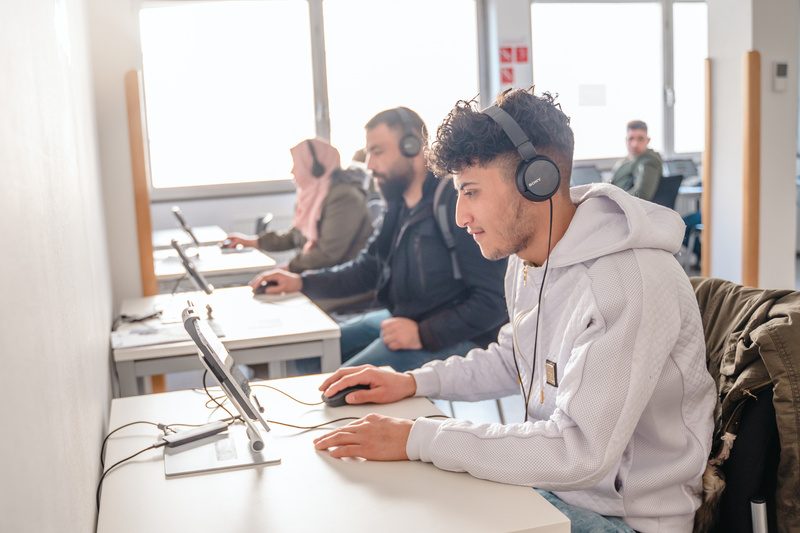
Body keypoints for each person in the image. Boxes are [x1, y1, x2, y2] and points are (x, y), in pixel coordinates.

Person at [312, 90, 716, 533]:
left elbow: (577, 452)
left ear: (536, 180)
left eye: (471, 192)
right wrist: (412, 382)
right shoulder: (527, 260)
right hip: (554, 487)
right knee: (405, 500)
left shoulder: (627, 281)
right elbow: (513, 360)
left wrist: (416, 437)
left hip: (626, 520)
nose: (462, 215)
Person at [251, 107, 508, 373]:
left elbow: (494, 300)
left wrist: (423, 333)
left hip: (458, 335)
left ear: (413, 149)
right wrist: (302, 282)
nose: (369, 164)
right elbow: (369, 267)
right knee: (307, 354)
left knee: (342, 384)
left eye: (378, 151)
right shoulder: (399, 205)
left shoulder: (453, 204)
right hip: (405, 317)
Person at [224, 138, 373, 275]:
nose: (292, 171)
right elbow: (295, 237)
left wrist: (288, 269)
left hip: (339, 280)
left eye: (297, 164)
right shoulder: (314, 196)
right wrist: (251, 241)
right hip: (319, 275)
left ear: (316, 168)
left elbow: (328, 254)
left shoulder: (344, 197)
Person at [610, 120, 663, 201]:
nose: (635, 144)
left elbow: (641, 195)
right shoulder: (625, 160)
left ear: (648, 140)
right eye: (631, 139)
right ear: (626, 140)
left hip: (627, 207)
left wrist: (614, 199)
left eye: (640, 139)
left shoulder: (648, 162)